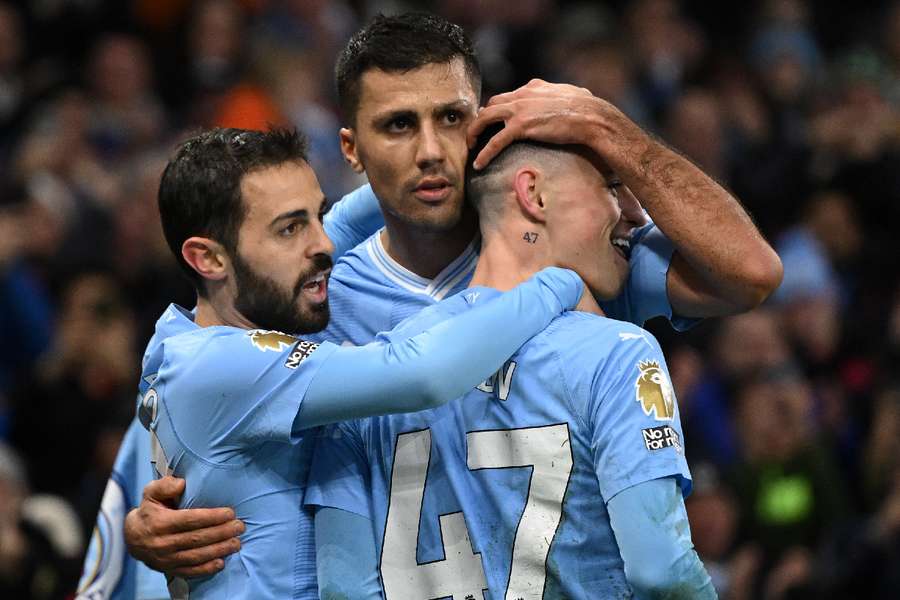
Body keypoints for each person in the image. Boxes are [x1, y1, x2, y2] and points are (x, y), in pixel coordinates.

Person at [83, 12, 781, 598]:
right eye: (397, 126)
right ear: (351, 148)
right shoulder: (311, 301)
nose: (429, 150)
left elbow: (751, 273)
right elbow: (191, 439)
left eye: (451, 118)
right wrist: (159, 516)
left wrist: (611, 131)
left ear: (482, 123)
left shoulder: (573, 249)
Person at [84, 126, 587, 600]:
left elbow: (341, 224)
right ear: (208, 259)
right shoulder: (223, 365)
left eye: (315, 216)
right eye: (291, 229)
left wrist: (452, 149)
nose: (324, 244)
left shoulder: (185, 334)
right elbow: (420, 373)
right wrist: (558, 279)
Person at [305, 129, 716, 599]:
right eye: (610, 187)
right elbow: (661, 571)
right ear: (533, 194)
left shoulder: (371, 373)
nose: (633, 215)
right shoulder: (620, 353)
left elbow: (343, 587)